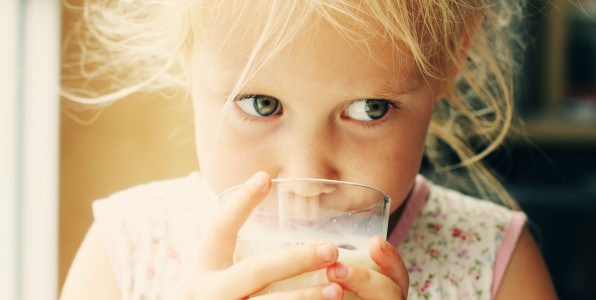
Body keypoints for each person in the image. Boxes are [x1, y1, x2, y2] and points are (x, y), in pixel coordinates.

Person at [60, 0, 557, 299]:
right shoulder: (126, 252)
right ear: (186, 60)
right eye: (261, 104)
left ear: (452, 57)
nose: (305, 181)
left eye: (369, 109)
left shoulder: (493, 263)